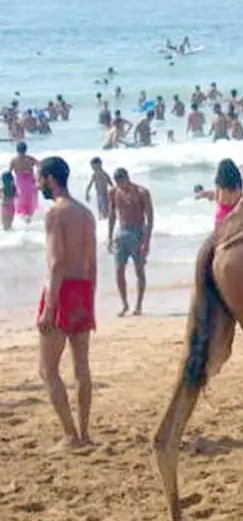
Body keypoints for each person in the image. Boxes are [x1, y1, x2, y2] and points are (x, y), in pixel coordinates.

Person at [36, 156, 97, 449]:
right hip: (83, 289)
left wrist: (50, 306)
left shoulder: (55, 213)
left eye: (40, 179)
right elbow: (92, 263)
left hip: (60, 291)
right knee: (81, 366)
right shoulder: (86, 214)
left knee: (48, 369)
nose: (38, 185)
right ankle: (84, 433)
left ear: (50, 179)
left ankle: (71, 435)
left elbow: (56, 262)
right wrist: (91, 296)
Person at [107, 168, 154, 316]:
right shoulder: (114, 192)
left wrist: (146, 242)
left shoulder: (142, 192)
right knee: (119, 270)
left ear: (127, 178)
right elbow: (112, 215)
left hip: (137, 232)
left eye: (122, 180)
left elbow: (150, 219)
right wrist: (109, 237)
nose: (120, 184)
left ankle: (138, 305)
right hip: (121, 233)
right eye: (117, 182)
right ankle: (125, 304)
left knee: (139, 270)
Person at [194, 158, 243, 227]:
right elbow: (241, 199)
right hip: (236, 215)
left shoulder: (220, 185)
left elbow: (217, 197)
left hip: (222, 216)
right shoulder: (238, 185)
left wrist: (204, 195)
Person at [10, 141, 39, 221]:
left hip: (20, 182)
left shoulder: (14, 160)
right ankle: (29, 215)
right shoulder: (30, 158)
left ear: (17, 150)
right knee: (30, 197)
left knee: (21, 198)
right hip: (30, 180)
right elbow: (40, 165)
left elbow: (9, 173)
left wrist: (8, 184)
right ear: (26, 149)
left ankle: (23, 216)